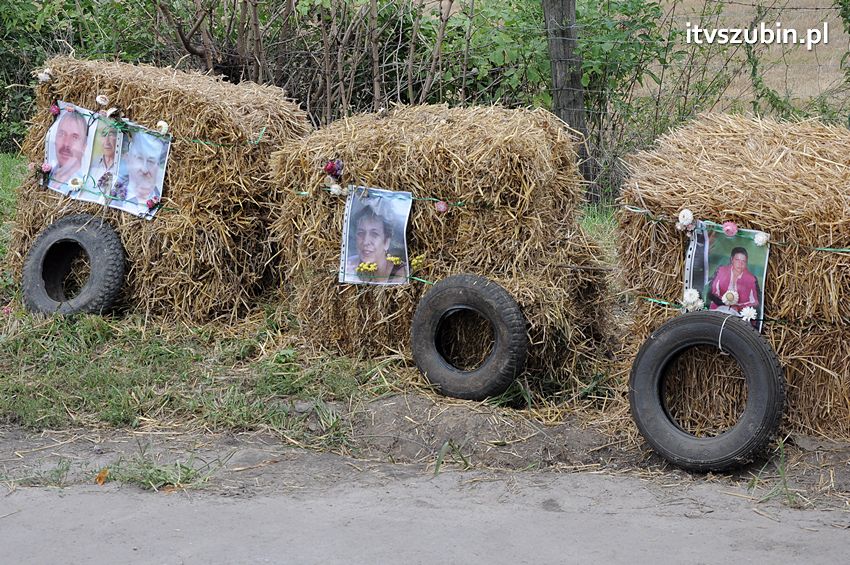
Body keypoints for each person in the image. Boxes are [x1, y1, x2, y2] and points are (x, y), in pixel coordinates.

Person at [345, 204, 407, 284]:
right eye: (361, 233)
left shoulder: (401, 273)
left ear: (386, 242)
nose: (365, 242)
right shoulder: (348, 267)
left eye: (374, 234)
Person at [110, 131, 164, 213]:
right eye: (139, 158)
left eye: (151, 161)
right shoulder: (111, 195)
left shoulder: (165, 200)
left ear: (158, 166)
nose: (144, 169)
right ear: (128, 159)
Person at [708, 247, 760, 315]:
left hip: (739, 315)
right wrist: (724, 304)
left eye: (743, 261)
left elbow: (755, 303)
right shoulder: (721, 270)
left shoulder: (752, 279)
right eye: (737, 260)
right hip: (717, 309)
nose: (740, 263)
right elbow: (711, 293)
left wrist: (738, 308)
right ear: (732, 260)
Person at [48, 109, 89, 190]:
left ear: (84, 146)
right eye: (62, 134)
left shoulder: (87, 188)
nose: (66, 144)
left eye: (75, 137)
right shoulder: (48, 173)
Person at [89, 125, 118, 193]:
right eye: (104, 135)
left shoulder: (123, 167)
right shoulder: (92, 163)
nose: (107, 142)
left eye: (111, 135)